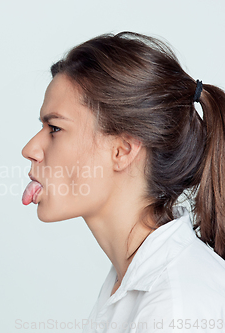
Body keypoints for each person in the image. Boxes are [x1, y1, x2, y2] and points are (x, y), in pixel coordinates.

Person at [22, 32, 225, 332]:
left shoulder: (176, 309)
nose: (29, 149)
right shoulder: (129, 279)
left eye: (54, 128)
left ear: (122, 150)